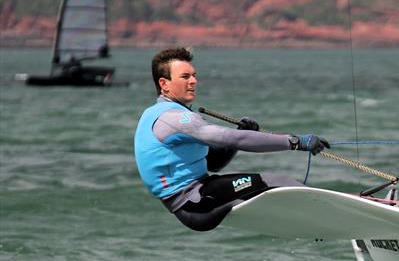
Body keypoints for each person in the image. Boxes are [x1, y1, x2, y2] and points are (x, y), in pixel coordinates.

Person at [134, 47, 329, 231]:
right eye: (185, 76)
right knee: (276, 182)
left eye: (194, 75)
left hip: (200, 195)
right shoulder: (173, 118)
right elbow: (232, 139)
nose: (193, 81)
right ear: (164, 84)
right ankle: (333, 214)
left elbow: (215, 163)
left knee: (270, 189)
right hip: (196, 202)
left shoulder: (161, 114)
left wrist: (241, 131)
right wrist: (295, 142)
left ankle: (314, 219)